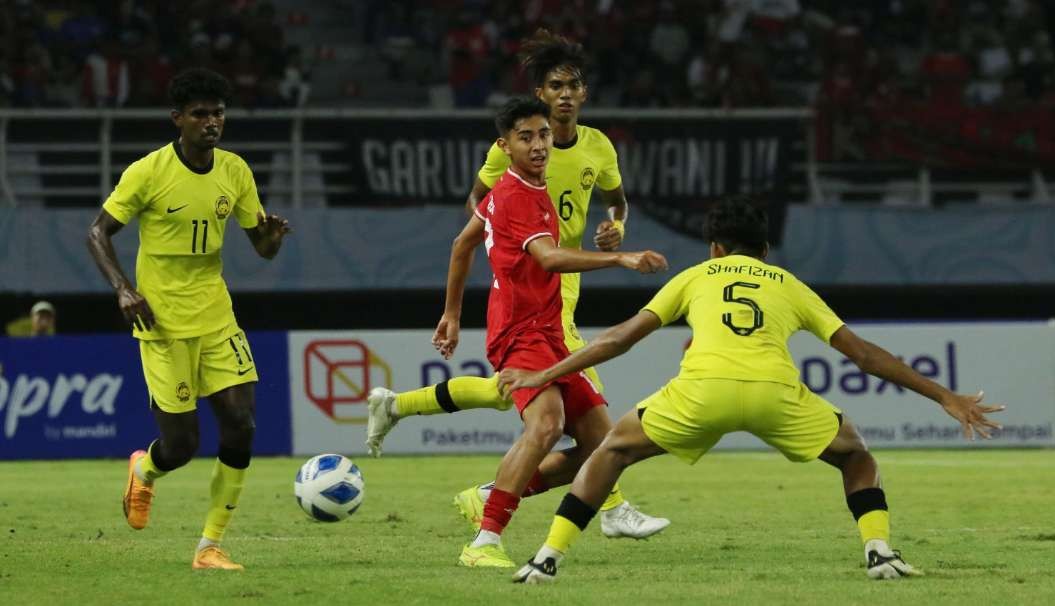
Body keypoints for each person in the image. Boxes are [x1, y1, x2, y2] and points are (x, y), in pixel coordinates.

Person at [499, 197, 1006, 583]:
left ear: (714, 248)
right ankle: (879, 553)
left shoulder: (696, 276)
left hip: (702, 393)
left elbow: (619, 339)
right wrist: (945, 396)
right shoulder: (786, 282)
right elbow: (864, 355)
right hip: (773, 394)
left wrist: (545, 374)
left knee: (608, 453)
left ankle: (546, 559)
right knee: (856, 456)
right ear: (764, 251)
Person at [365, 29, 670, 541]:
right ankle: (611, 507)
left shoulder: (598, 147)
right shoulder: (514, 155)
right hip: (536, 279)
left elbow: (617, 202)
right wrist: (509, 244)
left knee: (516, 393)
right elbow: (477, 216)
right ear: (541, 96)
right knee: (580, 416)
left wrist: (617, 226)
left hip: (567, 280)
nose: (566, 95)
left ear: (584, 95)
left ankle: (399, 407)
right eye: (556, 86)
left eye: (574, 85)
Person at [86, 67, 290, 571]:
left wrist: (273, 236)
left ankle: (210, 546)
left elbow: (260, 249)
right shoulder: (148, 172)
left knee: (240, 423)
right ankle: (146, 469)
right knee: (181, 446)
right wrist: (123, 289)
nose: (211, 122)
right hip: (162, 323)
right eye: (200, 114)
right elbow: (97, 232)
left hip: (217, 317)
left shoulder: (235, 171)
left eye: (218, 113)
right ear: (178, 118)